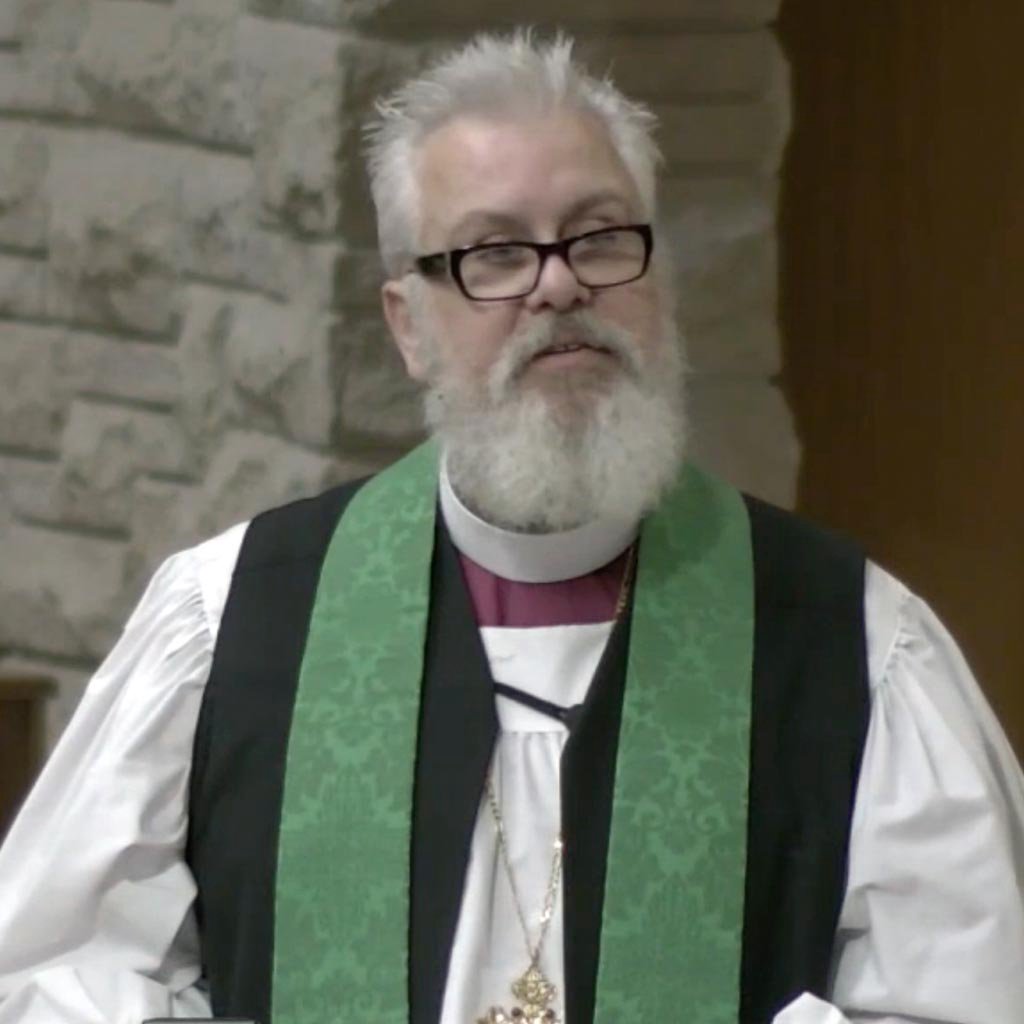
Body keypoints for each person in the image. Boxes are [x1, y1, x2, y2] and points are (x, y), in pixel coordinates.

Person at [1, 30, 1022, 1024]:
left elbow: (968, 991)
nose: (559, 283)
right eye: (495, 253)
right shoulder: (235, 621)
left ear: (658, 280)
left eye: (600, 237)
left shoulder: (846, 639)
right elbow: (55, 971)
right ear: (407, 323)